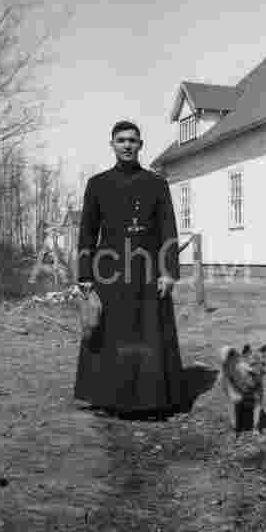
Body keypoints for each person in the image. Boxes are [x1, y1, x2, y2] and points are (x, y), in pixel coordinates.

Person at [73, 120, 184, 418]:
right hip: (108, 271)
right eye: (121, 140)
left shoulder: (157, 184)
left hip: (148, 271)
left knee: (148, 334)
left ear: (140, 145)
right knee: (111, 334)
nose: (127, 145)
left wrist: (168, 272)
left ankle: (150, 401)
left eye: (132, 140)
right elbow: (87, 232)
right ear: (112, 145)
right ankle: (107, 399)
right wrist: (85, 274)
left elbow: (168, 230)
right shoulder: (98, 184)